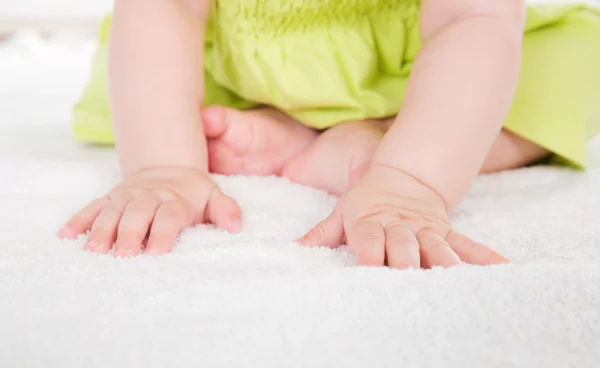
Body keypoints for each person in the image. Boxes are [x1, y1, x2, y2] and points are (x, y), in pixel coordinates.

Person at [59, 0, 600, 268]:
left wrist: (410, 180)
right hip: (245, 61)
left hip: (426, 68)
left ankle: (378, 142)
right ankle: (318, 135)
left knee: (571, 71)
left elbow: (472, 19)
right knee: (144, 88)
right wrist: (163, 166)